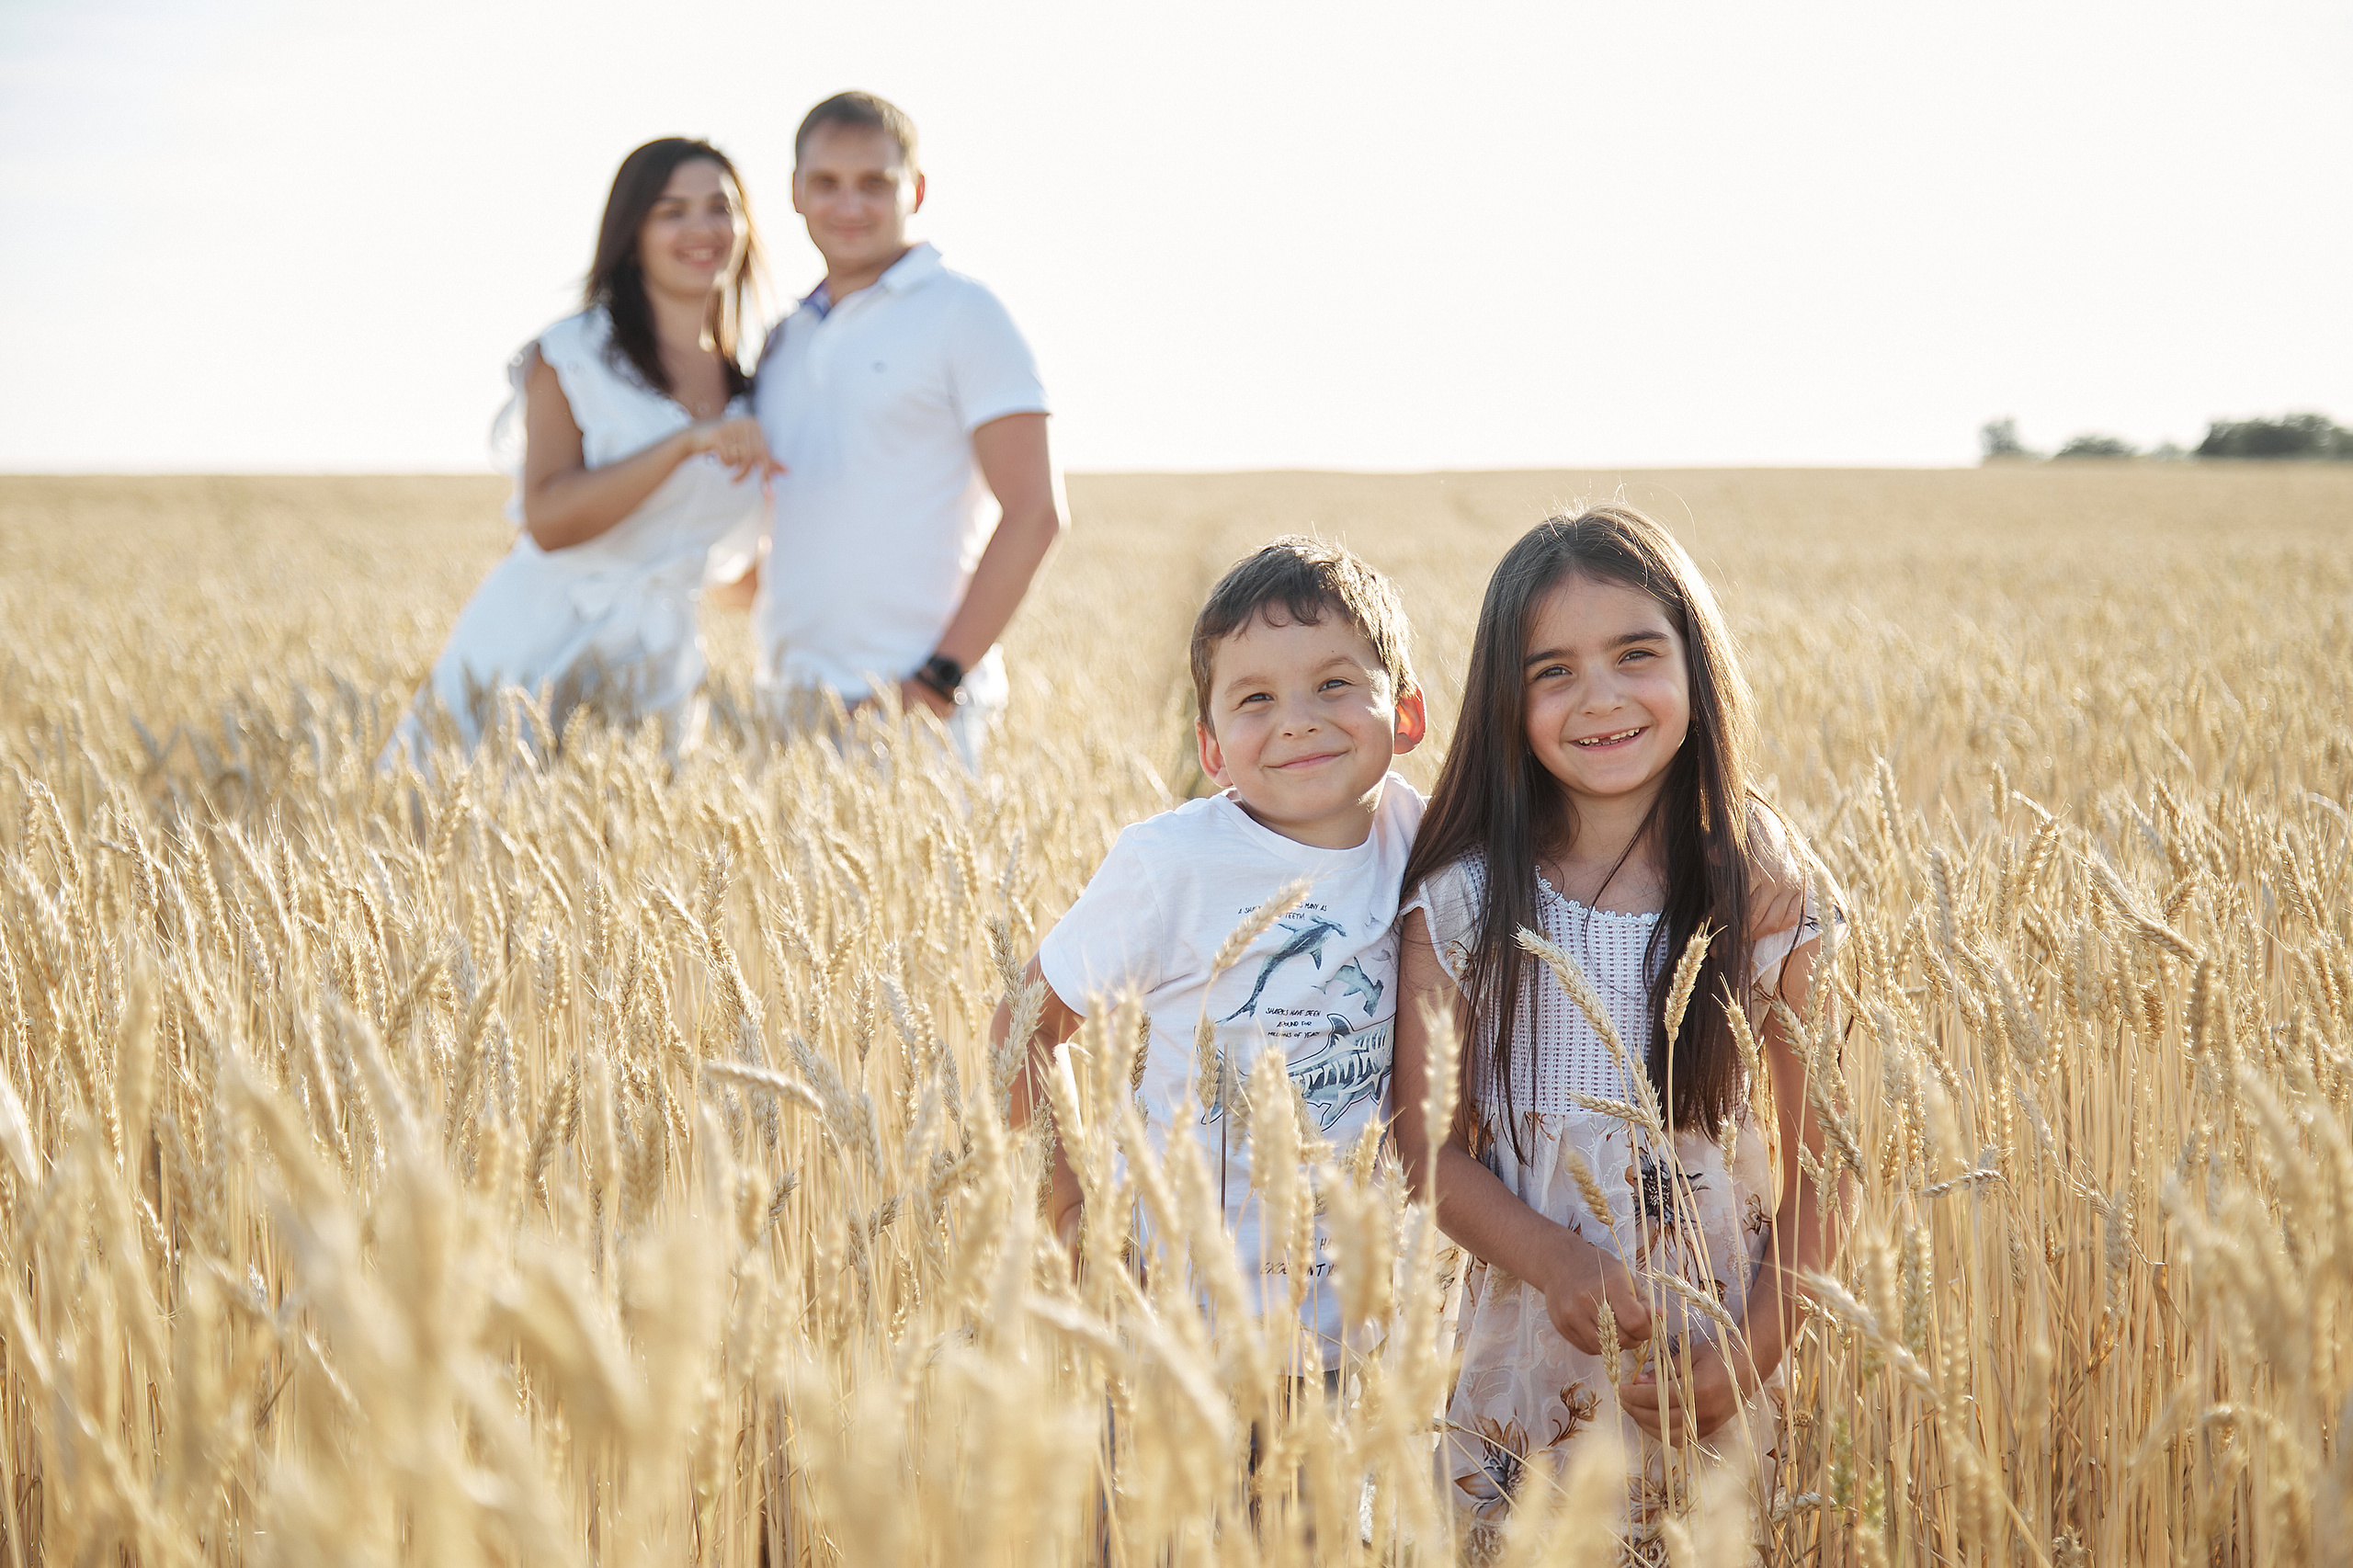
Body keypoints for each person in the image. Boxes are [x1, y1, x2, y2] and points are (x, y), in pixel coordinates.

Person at [1387, 506, 1843, 1551]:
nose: (1600, 697)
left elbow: (1829, 1155)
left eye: (1635, 653)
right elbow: (1424, 1147)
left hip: (1712, 1349)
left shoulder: (1765, 887)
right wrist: (1549, 1257)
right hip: (1518, 1371)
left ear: (1696, 662)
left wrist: (1756, 1347)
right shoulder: (1462, 903)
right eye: (1553, 671)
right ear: (1508, 701)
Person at [997, 538, 1427, 1369]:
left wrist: (1760, 865)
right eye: (1255, 698)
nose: (1297, 718)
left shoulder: (1426, 837)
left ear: (1405, 716)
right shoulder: (1171, 864)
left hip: (1357, 1334)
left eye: (1334, 684)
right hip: (1177, 1329)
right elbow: (1021, 1029)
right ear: (1211, 749)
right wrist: (1070, 1209)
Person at [386, 137, 779, 767]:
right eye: (671, 211)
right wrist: (683, 445)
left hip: (657, 672)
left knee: (625, 858)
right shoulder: (573, 355)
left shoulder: (755, 387)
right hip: (534, 649)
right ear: (632, 232)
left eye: (719, 208)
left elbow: (731, 573)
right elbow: (548, 521)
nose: (702, 228)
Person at [750, 91, 1065, 768]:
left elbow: (1035, 510)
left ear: (915, 189)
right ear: (795, 192)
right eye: (827, 184)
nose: (850, 205)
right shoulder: (784, 339)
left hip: (919, 712)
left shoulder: (966, 313)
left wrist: (935, 681)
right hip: (788, 711)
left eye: (875, 183)